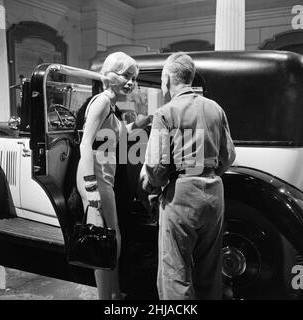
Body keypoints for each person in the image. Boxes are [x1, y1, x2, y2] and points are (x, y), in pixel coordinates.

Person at [140, 52, 236, 300]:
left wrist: (152, 187)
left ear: (167, 79)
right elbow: (229, 156)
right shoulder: (215, 108)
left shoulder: (165, 113)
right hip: (215, 193)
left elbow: (157, 168)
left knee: (175, 273)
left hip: (181, 196)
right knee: (209, 272)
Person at [76, 52, 152, 300]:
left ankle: (115, 294)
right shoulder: (101, 102)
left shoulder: (111, 105)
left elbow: (116, 135)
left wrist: (142, 123)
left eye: (133, 77)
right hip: (95, 177)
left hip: (104, 178)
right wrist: (90, 187)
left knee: (112, 238)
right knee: (104, 241)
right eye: (125, 75)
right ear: (110, 76)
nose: (130, 82)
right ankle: (105, 299)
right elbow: (85, 145)